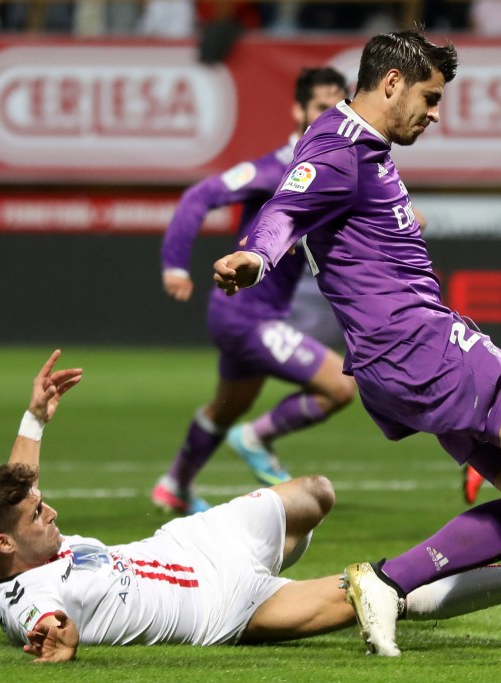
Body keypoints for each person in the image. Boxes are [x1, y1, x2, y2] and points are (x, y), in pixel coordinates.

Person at [211, 28, 501, 664]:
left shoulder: (365, 147)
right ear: (390, 83)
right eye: (430, 96)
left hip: (395, 355)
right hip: (414, 340)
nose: (435, 112)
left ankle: (386, 582)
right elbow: (285, 207)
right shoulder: (337, 148)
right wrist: (257, 254)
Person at [0, 350, 501, 664]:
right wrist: (56, 644)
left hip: (192, 543)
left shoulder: (14, 545)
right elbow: (46, 625)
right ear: (7, 545)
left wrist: (34, 417)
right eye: (39, 515)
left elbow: (20, 487)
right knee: (374, 592)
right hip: (223, 609)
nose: (51, 511)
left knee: (316, 492)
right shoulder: (29, 603)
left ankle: (289, 563)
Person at [153, 67, 357, 515]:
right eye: (322, 108)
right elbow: (198, 197)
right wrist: (174, 264)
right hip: (248, 316)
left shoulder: (330, 167)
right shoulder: (276, 168)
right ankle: (256, 438)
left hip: (246, 314)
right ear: (298, 109)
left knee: (227, 406)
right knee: (340, 387)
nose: (331, 117)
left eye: (338, 109)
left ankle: (175, 485)